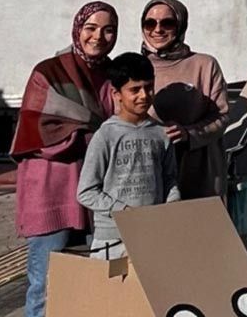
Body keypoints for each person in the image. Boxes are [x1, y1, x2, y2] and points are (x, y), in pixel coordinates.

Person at [14, 1, 118, 317]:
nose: (98, 36)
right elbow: (39, 129)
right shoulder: (49, 71)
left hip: (96, 194)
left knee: (90, 284)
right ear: (77, 29)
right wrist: (97, 133)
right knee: (44, 287)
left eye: (107, 29)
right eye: (91, 28)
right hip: (52, 192)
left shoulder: (113, 75)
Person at [77, 52, 180, 259]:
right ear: (116, 94)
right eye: (135, 90)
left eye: (149, 87)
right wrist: (124, 212)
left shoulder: (161, 133)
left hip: (153, 235)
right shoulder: (105, 135)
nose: (144, 95)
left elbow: (170, 179)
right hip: (112, 241)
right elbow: (86, 192)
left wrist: (172, 206)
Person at [140, 0, 230, 200]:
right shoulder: (136, 66)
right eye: (150, 23)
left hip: (199, 171)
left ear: (181, 25)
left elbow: (222, 116)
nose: (157, 29)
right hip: (152, 172)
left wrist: (188, 134)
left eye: (167, 23)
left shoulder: (204, 65)